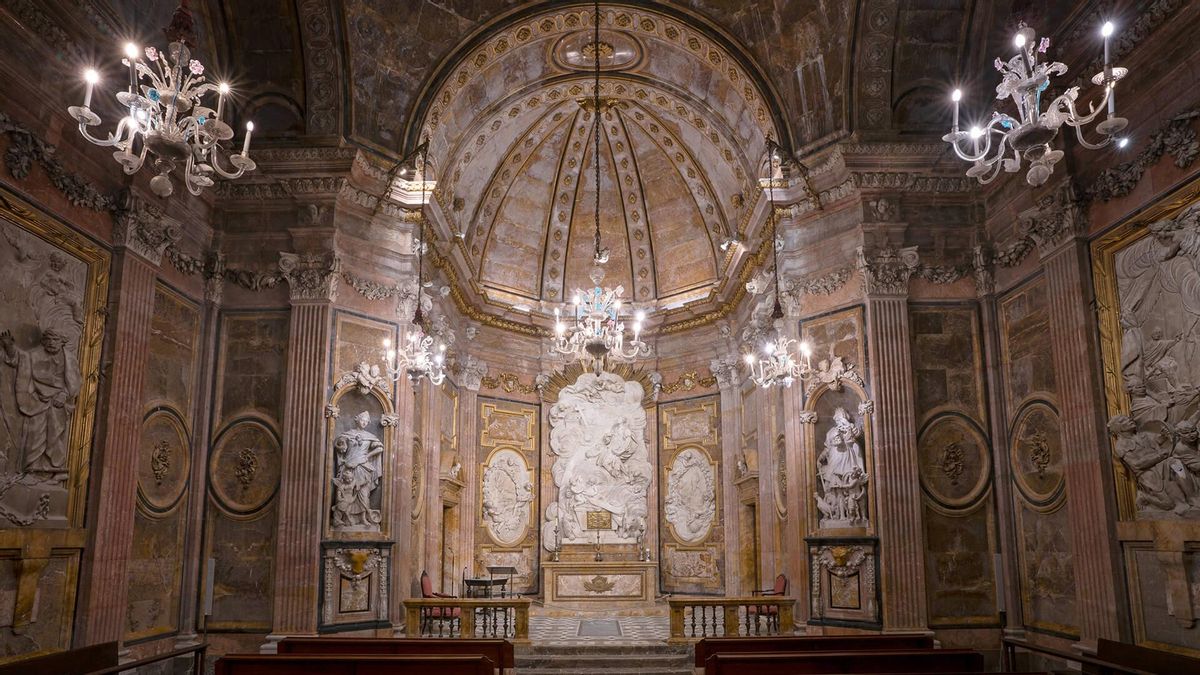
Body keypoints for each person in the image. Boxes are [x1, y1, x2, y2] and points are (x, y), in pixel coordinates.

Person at [331, 411, 385, 529]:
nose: (364, 423)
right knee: (347, 493)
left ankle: (364, 518)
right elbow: (340, 444)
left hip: (363, 467)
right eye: (362, 420)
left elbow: (380, 448)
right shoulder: (348, 434)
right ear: (357, 420)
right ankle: (345, 518)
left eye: (366, 421)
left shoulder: (370, 436)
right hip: (349, 467)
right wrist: (341, 445)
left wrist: (368, 456)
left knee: (363, 494)